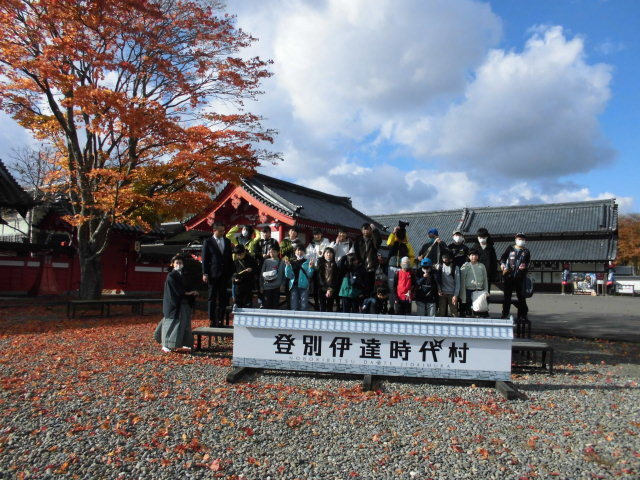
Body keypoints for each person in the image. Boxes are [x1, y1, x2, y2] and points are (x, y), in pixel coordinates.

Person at [158, 254, 198, 352]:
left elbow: (190, 286)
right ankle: (166, 345)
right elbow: (175, 290)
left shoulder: (185, 274)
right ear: (172, 264)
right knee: (171, 324)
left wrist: (193, 292)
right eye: (177, 262)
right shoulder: (171, 275)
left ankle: (186, 343)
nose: (179, 264)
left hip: (185, 303)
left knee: (185, 324)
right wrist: (187, 293)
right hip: (173, 303)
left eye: (180, 262)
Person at [202, 222, 234, 327]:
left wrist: (231, 273)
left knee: (223, 298)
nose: (222, 233)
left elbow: (229, 258)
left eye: (223, 231)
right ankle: (211, 320)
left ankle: (220, 320)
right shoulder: (208, 242)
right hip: (213, 274)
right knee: (212, 298)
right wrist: (205, 273)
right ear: (214, 230)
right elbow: (205, 259)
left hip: (224, 274)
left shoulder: (227, 241)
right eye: (220, 231)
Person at [500, 232, 531, 320]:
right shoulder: (510, 248)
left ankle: (522, 315)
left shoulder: (526, 251)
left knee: (521, 296)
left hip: (520, 276)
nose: (521, 240)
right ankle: (505, 314)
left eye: (522, 239)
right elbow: (503, 258)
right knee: (507, 297)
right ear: (515, 239)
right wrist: (502, 264)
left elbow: (528, 263)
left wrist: (524, 266)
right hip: (508, 275)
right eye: (519, 239)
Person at [386, 224, 415, 313]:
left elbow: (412, 256)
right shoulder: (393, 242)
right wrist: (393, 232)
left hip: (403, 269)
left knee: (402, 288)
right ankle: (391, 307)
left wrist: (408, 266)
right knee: (392, 288)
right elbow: (388, 243)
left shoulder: (407, 245)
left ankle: (401, 307)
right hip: (392, 266)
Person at [353, 222, 382, 298]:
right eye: (364, 229)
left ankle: (370, 302)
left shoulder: (373, 239)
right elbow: (356, 252)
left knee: (371, 287)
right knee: (362, 287)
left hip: (371, 267)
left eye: (368, 229)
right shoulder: (358, 240)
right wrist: (358, 263)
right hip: (362, 267)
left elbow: (378, 243)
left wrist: (374, 230)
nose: (366, 231)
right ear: (361, 230)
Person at [284, 244, 315, 311]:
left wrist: (311, 267)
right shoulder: (291, 262)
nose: (300, 252)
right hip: (294, 286)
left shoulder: (307, 262)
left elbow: (309, 275)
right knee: (294, 306)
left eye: (302, 250)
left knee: (304, 307)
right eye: (298, 250)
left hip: (304, 287)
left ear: (304, 252)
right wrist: (287, 266)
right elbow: (288, 276)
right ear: (295, 252)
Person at [460, 249, 489, 317]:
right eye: (472, 255)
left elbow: (485, 279)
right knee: (469, 309)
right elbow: (462, 281)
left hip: (479, 290)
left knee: (479, 309)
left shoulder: (481, 266)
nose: (474, 257)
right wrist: (462, 295)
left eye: (476, 255)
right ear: (469, 256)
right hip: (468, 290)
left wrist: (486, 291)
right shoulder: (465, 266)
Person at [307, 228, 331, 310]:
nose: (316, 236)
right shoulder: (312, 244)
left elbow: (330, 252)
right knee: (316, 287)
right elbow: (308, 255)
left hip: (325, 268)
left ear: (321, 234)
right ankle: (317, 304)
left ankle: (325, 304)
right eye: (315, 234)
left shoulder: (326, 242)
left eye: (318, 234)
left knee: (325, 286)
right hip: (315, 269)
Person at [470, 227, 498, 293]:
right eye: (480, 237)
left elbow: (494, 262)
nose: (482, 239)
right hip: (476, 274)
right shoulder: (474, 248)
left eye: (483, 237)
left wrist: (494, 275)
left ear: (487, 237)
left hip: (487, 274)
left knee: (486, 292)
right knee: (476, 292)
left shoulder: (491, 248)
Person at [260, 244, 285, 309]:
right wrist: (261, 286)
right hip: (267, 287)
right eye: (270, 252)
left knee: (275, 306)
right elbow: (262, 274)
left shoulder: (282, 262)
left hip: (277, 287)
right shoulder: (266, 261)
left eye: (273, 251)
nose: (271, 253)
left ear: (278, 252)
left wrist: (282, 284)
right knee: (266, 306)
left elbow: (284, 275)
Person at [436, 250, 460, 317]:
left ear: (451, 259)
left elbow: (457, 283)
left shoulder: (455, 268)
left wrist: (455, 295)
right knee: (441, 312)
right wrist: (439, 289)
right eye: (443, 260)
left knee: (454, 312)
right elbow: (438, 280)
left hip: (452, 293)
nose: (445, 261)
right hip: (442, 292)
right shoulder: (440, 267)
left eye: (446, 260)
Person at [316, 247, 341, 312]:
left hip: (331, 289)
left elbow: (336, 278)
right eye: (327, 253)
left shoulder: (335, 265)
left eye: (330, 253)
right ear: (324, 254)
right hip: (322, 288)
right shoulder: (320, 263)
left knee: (330, 307)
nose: (328, 254)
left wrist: (330, 289)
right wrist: (326, 287)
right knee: (322, 307)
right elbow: (319, 277)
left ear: (333, 254)